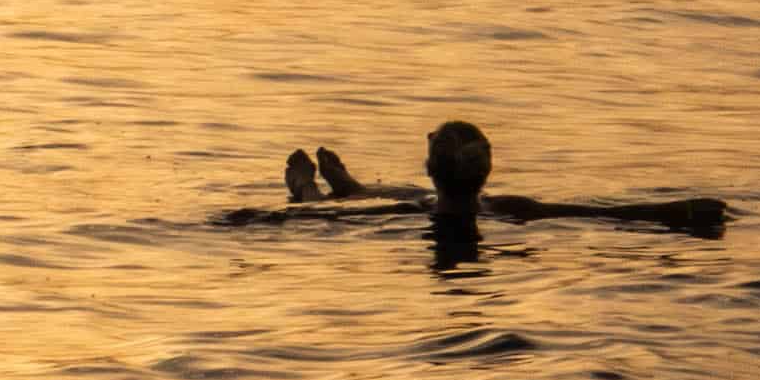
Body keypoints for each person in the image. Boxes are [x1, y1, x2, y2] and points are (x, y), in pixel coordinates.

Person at [285, 120, 728, 239]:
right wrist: (685, 211)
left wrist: (306, 192)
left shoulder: (406, 215)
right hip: (464, 206)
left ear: (431, 166)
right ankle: (352, 186)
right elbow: (614, 215)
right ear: (487, 170)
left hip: (427, 206)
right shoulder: (516, 209)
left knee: (413, 200)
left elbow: (314, 220)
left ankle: (330, 187)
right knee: (417, 197)